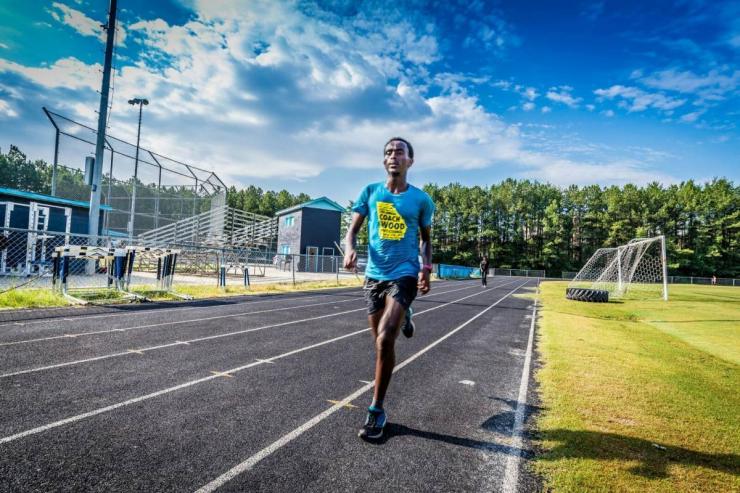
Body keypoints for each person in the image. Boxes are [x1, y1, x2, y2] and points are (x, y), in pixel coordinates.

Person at [344, 137, 435, 441]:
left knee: (385, 339)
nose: (393, 156)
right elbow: (352, 231)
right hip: (374, 275)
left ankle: (376, 410)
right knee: (381, 343)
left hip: (405, 272)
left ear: (410, 160)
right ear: (384, 161)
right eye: (388, 152)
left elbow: (425, 239)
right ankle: (405, 313)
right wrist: (350, 249)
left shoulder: (421, 201)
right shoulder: (370, 192)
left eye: (399, 152)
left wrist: (425, 268)